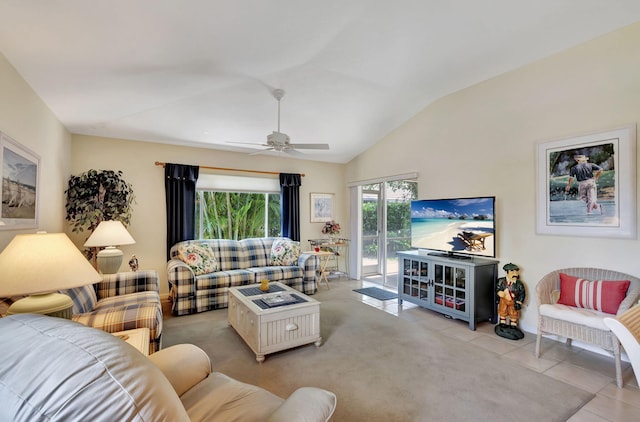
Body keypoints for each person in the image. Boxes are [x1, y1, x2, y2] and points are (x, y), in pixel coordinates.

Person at [495, 263, 526, 340]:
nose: (515, 274)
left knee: (513, 313)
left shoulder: (519, 284)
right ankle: (502, 323)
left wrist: (520, 301)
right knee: (503, 311)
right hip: (504, 300)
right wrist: (499, 292)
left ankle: (513, 325)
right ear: (506, 272)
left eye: (516, 272)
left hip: (513, 301)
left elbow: (522, 293)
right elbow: (497, 288)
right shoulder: (501, 281)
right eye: (512, 272)